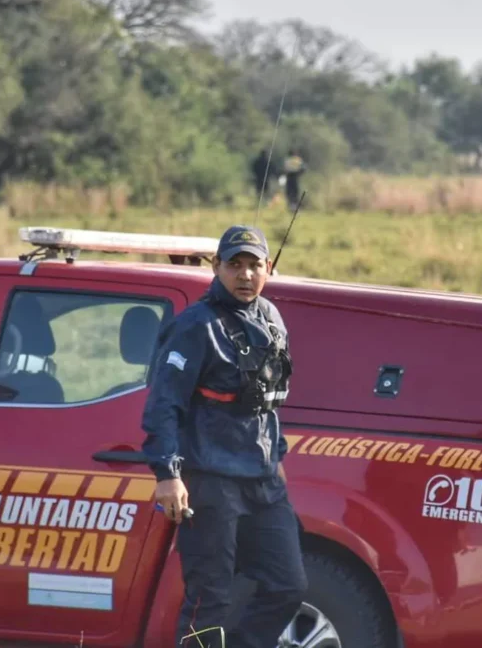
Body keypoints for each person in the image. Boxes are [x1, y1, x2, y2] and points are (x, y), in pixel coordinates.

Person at [140, 225, 306, 648]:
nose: (245, 275)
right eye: (235, 265)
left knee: (288, 584)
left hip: (264, 482)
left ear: (268, 268)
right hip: (210, 481)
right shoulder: (195, 326)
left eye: (255, 265)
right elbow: (163, 405)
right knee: (208, 598)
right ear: (217, 267)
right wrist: (167, 474)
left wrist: (277, 458)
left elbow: (267, 402)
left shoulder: (271, 317)